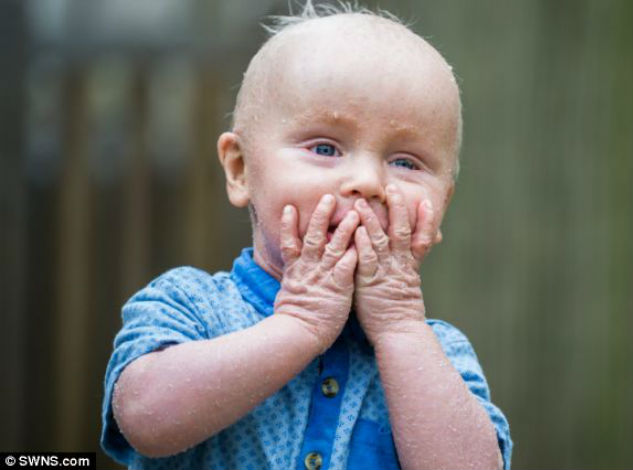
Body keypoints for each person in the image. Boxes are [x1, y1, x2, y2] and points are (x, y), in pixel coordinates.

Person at [101, 2, 513, 469]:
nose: (368, 182)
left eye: (405, 163)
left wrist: (400, 329)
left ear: (441, 208)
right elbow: (144, 418)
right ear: (240, 170)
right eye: (324, 148)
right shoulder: (192, 306)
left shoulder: (439, 355)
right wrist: (298, 325)